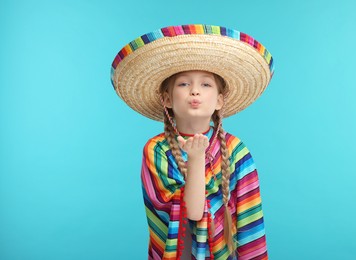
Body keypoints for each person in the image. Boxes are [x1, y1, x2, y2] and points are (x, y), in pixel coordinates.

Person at [110, 24, 274, 260]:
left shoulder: (236, 151)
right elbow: (193, 213)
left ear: (219, 100)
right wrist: (196, 159)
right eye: (184, 84)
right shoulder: (157, 150)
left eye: (205, 84)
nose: (195, 91)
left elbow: (250, 223)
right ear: (167, 98)